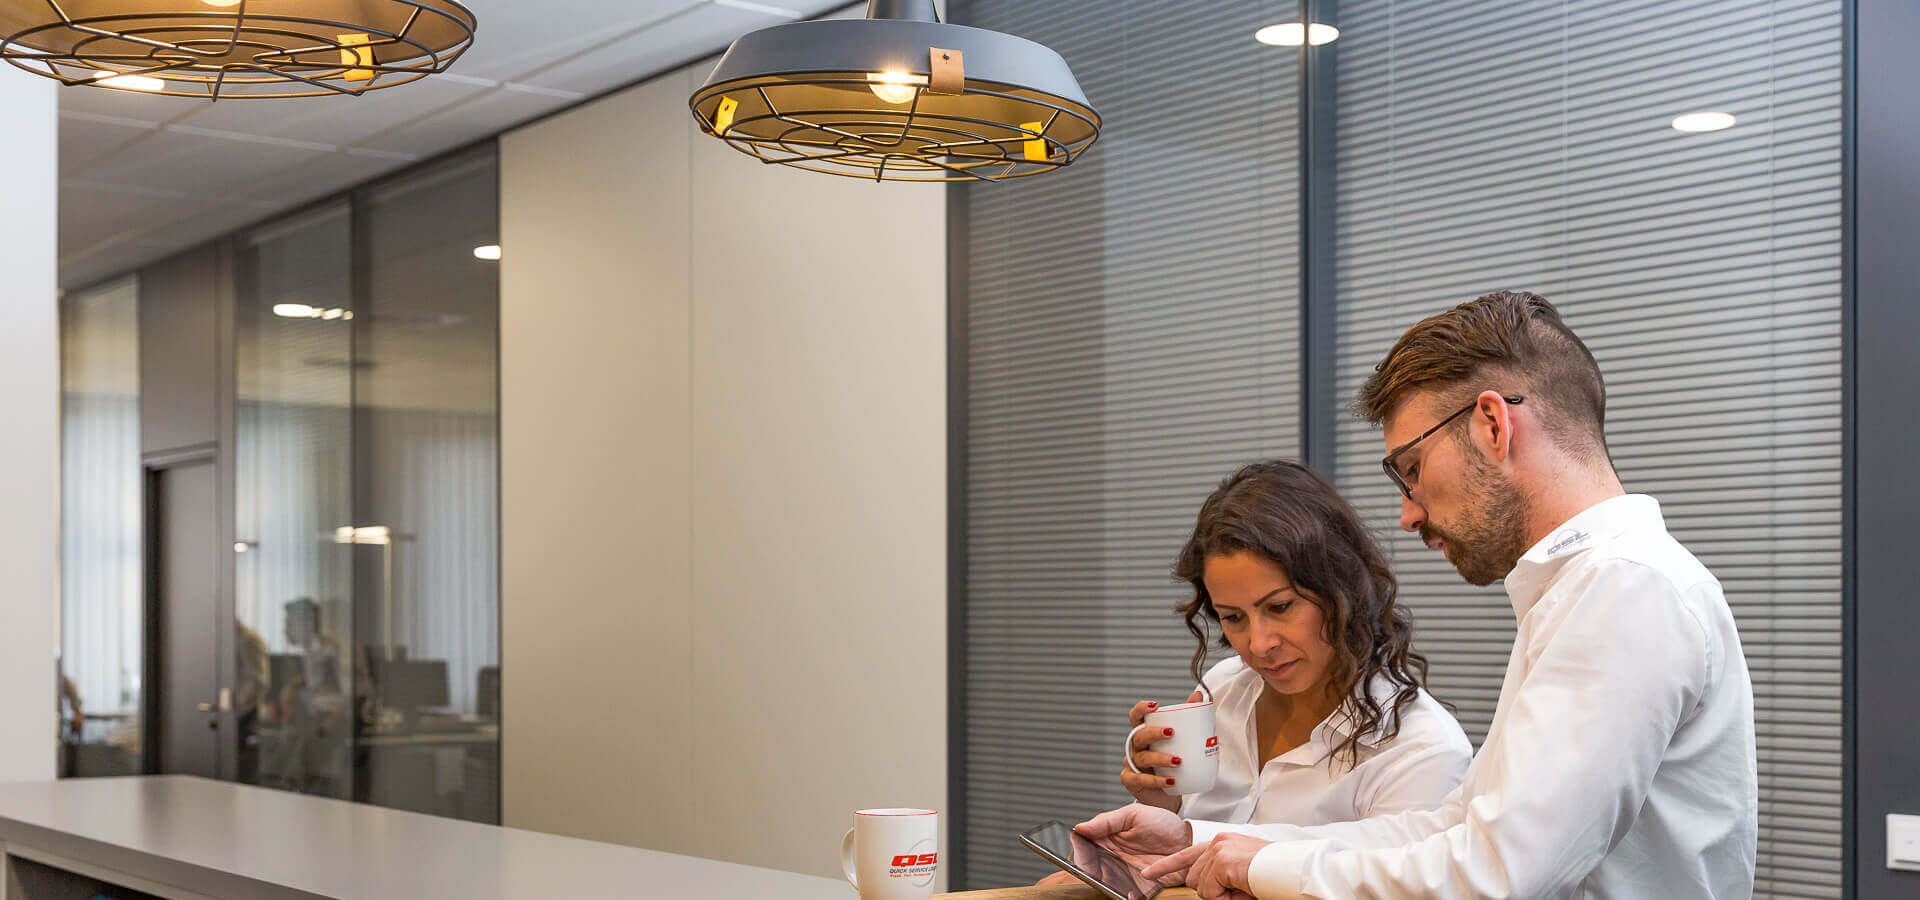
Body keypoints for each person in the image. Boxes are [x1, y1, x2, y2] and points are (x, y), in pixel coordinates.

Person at [1077, 290, 1758, 899]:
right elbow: (1450, 829)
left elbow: (1497, 875)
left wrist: (1258, 868)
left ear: (1492, 425)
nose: (1407, 513)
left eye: (1411, 468)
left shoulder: (1624, 589)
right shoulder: (1585, 591)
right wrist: (1200, 840)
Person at [1043, 462, 1471, 890]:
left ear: (1341, 589)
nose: (1259, 644)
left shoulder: (1422, 750)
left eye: (1280, 607)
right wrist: (1165, 803)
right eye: (1233, 617)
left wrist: (1193, 840)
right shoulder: (1225, 688)